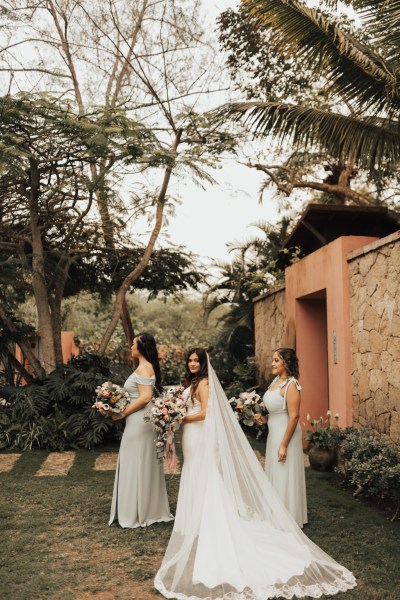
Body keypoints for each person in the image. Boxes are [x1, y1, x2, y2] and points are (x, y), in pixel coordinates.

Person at [154, 348, 356, 599]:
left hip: (199, 433)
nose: (193, 363)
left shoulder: (204, 382)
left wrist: (182, 418)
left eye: (197, 360)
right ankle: (192, 517)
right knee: (194, 471)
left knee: (203, 474)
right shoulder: (192, 382)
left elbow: (206, 412)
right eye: (190, 360)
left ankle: (209, 517)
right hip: (193, 436)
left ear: (204, 363)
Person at [108, 332, 173, 528]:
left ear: (141, 347)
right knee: (135, 460)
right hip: (138, 420)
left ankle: (138, 510)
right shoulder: (143, 367)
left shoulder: (145, 369)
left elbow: (145, 398)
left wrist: (122, 413)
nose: (130, 348)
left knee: (136, 460)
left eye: (133, 345)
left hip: (140, 422)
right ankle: (138, 507)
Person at [263, 347, 307, 527]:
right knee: (276, 472)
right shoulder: (275, 382)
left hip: (286, 436)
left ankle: (288, 516)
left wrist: (284, 445)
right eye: (273, 360)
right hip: (274, 433)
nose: (272, 363)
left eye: (276, 360)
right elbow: (275, 411)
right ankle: (275, 513)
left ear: (286, 363)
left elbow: (294, 416)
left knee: (285, 473)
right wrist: (262, 418)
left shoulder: (292, 385)